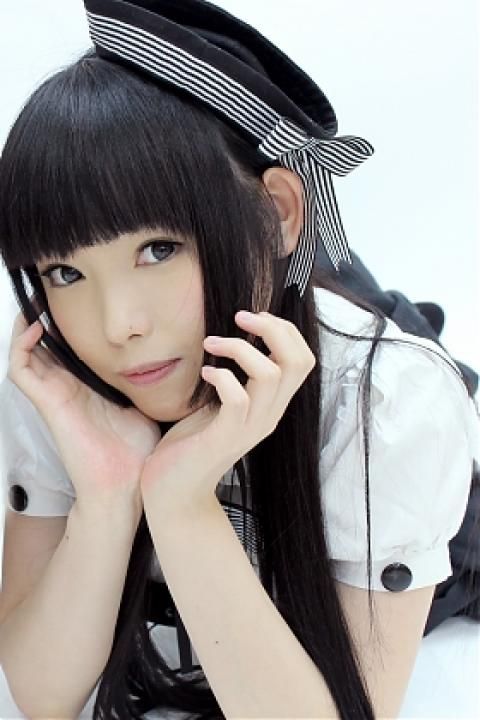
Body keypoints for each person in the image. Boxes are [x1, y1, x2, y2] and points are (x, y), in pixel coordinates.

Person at [0, 1, 479, 718]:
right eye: (65, 272)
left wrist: (181, 502)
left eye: (159, 249)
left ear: (282, 209)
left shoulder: (386, 406)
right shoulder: (63, 380)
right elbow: (41, 695)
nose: (117, 326)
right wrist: (107, 490)